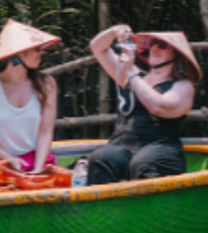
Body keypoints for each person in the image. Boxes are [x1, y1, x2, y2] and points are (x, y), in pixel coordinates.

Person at [81, 26, 198, 185]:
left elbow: (158, 107)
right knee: (101, 158)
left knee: (144, 163)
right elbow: (98, 48)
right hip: (121, 146)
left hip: (159, 147)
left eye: (162, 46)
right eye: (153, 45)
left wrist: (130, 72)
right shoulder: (134, 75)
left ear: (178, 54)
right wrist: (114, 31)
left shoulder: (183, 86)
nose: (154, 49)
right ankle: (104, 209)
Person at [0, 19, 60, 183]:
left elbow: (45, 132)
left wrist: (38, 168)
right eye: (36, 48)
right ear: (19, 52)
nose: (41, 52)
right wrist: (8, 160)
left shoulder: (47, 84)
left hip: (38, 158)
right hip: (2, 161)